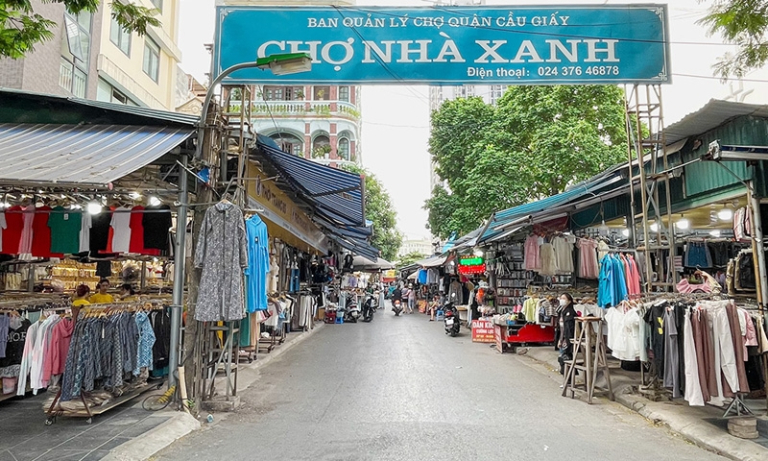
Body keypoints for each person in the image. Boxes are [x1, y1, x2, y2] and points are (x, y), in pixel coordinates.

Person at [556, 293, 577, 378]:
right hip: (562, 338)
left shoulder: (570, 312)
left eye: (564, 298)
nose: (562, 300)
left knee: (566, 358)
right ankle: (566, 379)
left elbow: (569, 328)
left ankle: (568, 379)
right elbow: (560, 328)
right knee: (562, 358)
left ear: (569, 301)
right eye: (561, 298)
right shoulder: (562, 311)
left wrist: (568, 340)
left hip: (567, 338)